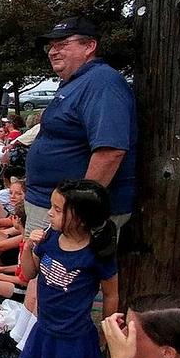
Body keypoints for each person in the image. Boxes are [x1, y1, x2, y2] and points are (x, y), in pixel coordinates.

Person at [25, 16, 137, 235]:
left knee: (58, 270)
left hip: (70, 214)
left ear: (89, 46)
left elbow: (110, 151)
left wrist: (78, 208)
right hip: (51, 205)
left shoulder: (102, 82)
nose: (52, 51)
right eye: (51, 46)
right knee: (35, 268)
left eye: (62, 44)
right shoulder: (76, 82)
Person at [18, 179, 119, 358]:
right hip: (45, 327)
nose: (49, 214)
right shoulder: (50, 238)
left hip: (73, 337)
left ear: (82, 218)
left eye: (57, 209)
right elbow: (29, 273)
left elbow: (111, 294)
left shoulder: (96, 253)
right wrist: (28, 247)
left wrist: (107, 331)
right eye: (50, 206)